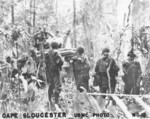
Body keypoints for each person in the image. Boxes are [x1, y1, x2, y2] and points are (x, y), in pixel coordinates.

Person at [45, 41, 63, 110]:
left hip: (49, 71)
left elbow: (45, 62)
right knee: (58, 86)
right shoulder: (56, 52)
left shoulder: (48, 52)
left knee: (51, 84)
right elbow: (60, 61)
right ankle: (56, 102)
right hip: (55, 70)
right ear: (56, 46)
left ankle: (49, 100)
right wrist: (59, 65)